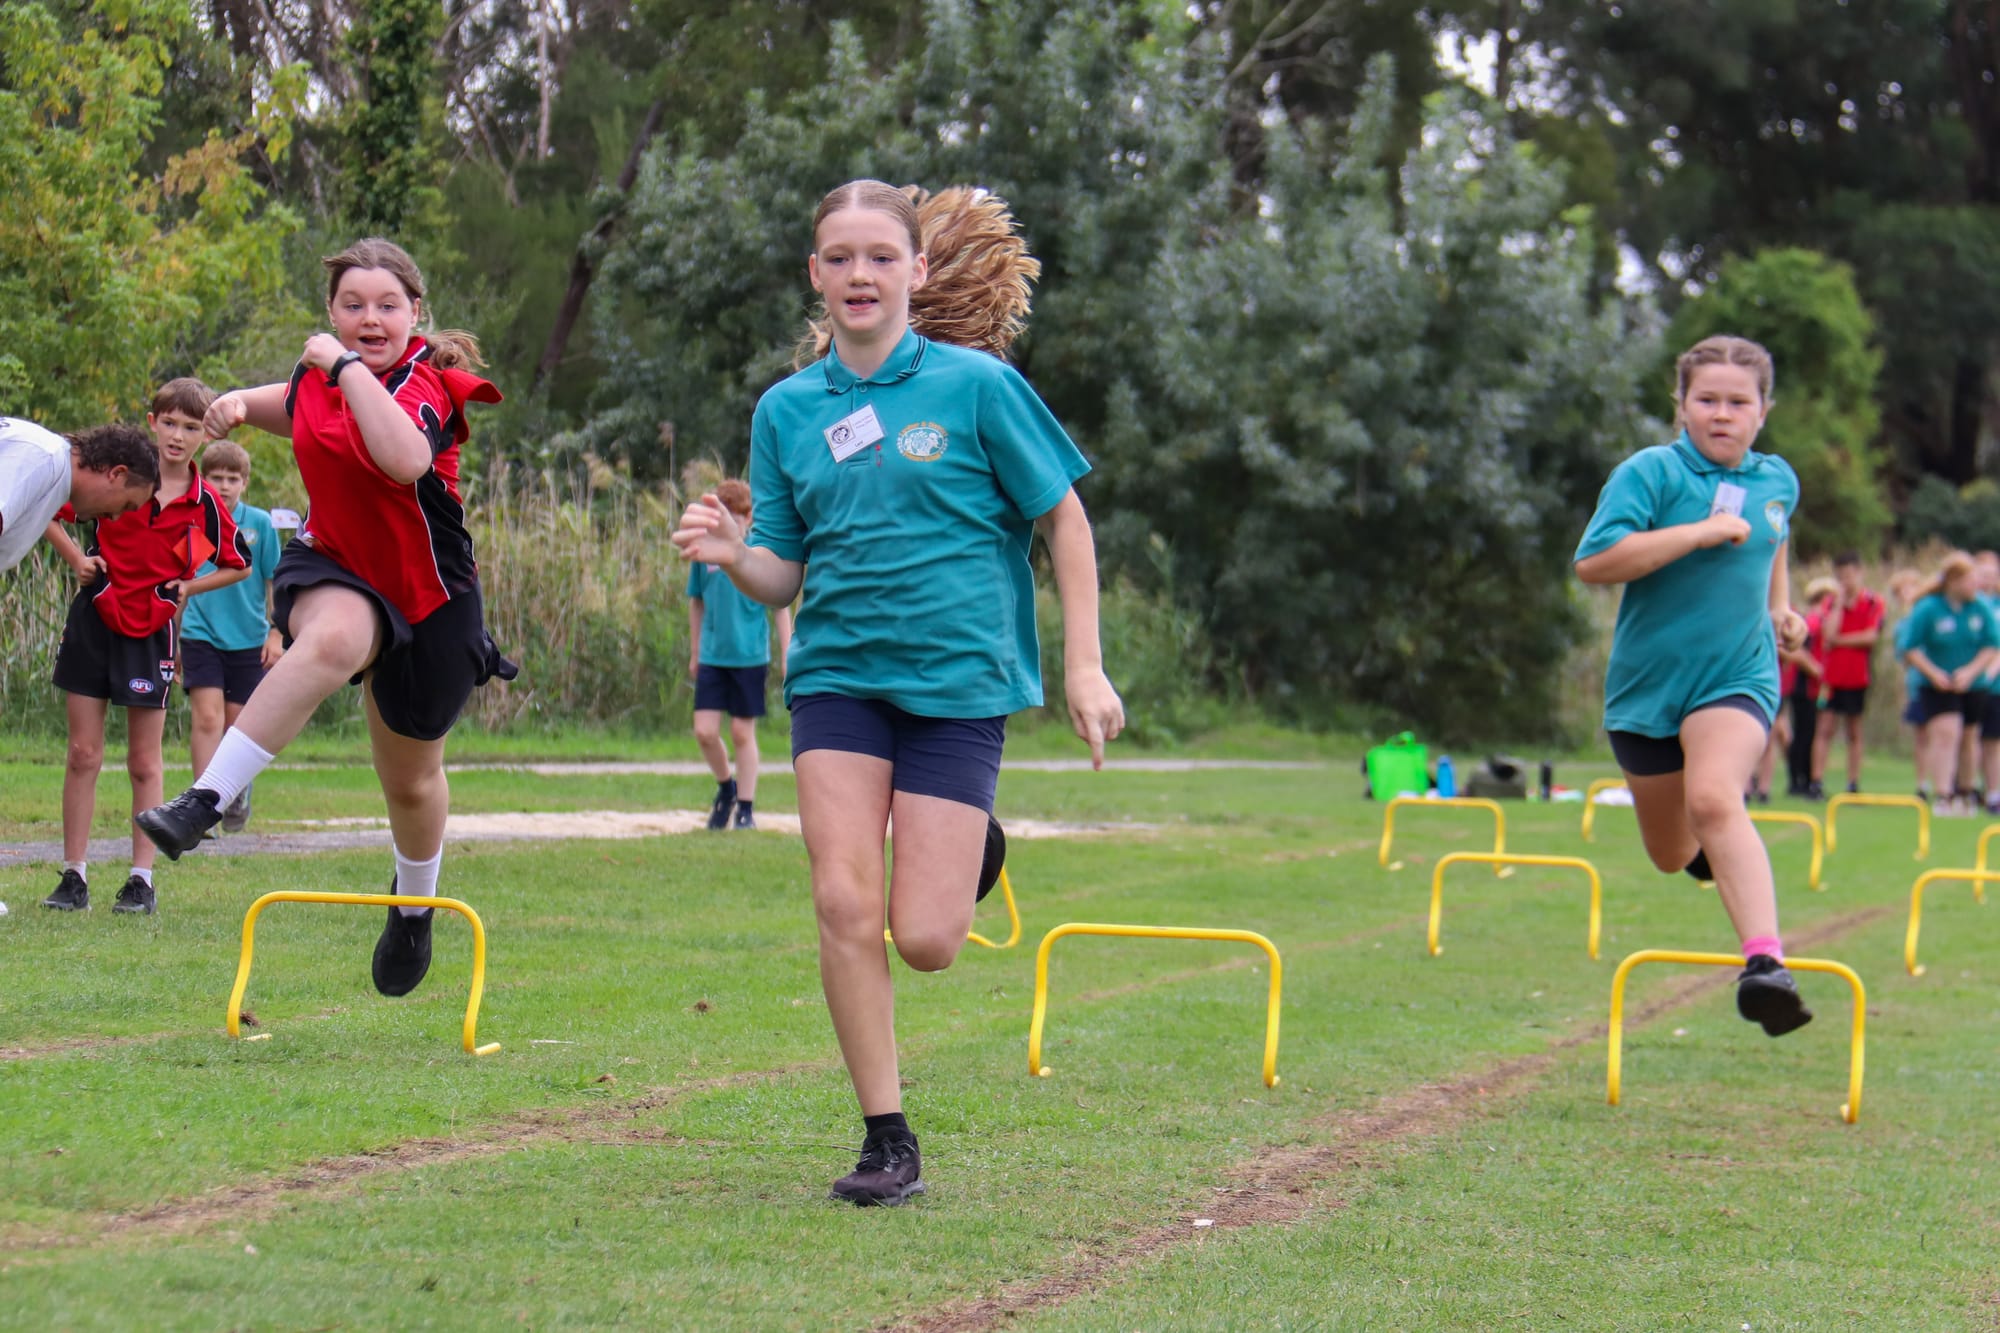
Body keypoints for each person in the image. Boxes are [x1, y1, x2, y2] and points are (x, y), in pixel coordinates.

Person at [672, 180, 1124, 1205]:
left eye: (881, 255)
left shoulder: (976, 387)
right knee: (841, 897)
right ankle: (886, 1136)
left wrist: (1085, 665)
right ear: (815, 274)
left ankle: (971, 848)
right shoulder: (787, 410)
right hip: (836, 679)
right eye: (840, 256)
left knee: (924, 939)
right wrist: (738, 555)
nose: (860, 274)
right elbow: (782, 571)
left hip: (959, 682)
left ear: (918, 270)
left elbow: (1065, 521)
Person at [135, 237, 515, 998]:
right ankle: (206, 799)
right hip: (336, 562)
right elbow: (282, 404)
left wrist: (338, 366)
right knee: (334, 636)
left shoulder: (427, 385)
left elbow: (402, 457)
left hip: (430, 595)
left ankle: (413, 906)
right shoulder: (318, 381)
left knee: (409, 782)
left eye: (386, 306)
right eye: (352, 306)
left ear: (415, 314)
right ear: (331, 314)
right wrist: (238, 405)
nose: (369, 319)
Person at [1574, 334, 1812, 1037]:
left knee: (1714, 795)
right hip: (1648, 690)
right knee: (1671, 852)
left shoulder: (1778, 479)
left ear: (1762, 411)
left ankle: (1766, 964)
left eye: (1738, 402)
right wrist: (1697, 534)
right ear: (1681, 404)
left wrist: (1780, 610)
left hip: (1736, 677)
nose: (1721, 414)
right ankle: (1708, 849)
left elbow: (1774, 537)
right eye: (1706, 399)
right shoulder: (1650, 473)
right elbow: (1596, 562)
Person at [41, 380, 250, 915]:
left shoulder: (204, 503)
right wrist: (77, 560)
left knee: (143, 760)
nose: (178, 436)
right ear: (152, 421)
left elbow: (237, 563)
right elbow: (44, 507)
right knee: (83, 753)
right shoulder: (122, 476)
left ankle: (141, 880)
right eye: (170, 423)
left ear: (206, 434)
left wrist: (187, 587)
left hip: (151, 631)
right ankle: (73, 876)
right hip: (96, 616)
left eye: (192, 426)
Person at [180, 438, 285, 832]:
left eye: (232, 478)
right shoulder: (191, 520)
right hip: (199, 632)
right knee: (206, 719)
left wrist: (276, 633)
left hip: (248, 638)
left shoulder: (259, 525)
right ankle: (199, 812)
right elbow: (180, 582)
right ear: (203, 480)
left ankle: (234, 790)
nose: (223, 486)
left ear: (245, 482)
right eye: (216, 477)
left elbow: (276, 582)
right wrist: (171, 639)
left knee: (235, 723)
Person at [687, 478, 792, 831]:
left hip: (750, 655)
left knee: (742, 733)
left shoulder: (759, 552)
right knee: (704, 731)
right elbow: (696, 602)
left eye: (737, 516)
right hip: (714, 654)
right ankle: (726, 788)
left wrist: (787, 650)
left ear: (748, 518)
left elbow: (780, 605)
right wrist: (696, 649)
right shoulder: (704, 553)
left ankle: (746, 807)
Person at [1901, 551, 2000, 813]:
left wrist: (1970, 672)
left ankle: (1966, 793)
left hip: (1973, 684)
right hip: (1937, 683)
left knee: (1969, 737)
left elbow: (1992, 644)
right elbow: (1909, 647)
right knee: (1946, 733)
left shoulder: (1980, 607)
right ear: (1953, 581)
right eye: (1970, 580)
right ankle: (1944, 795)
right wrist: (1934, 673)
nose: (1975, 585)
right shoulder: (1928, 608)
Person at [0, 418, 159, 573]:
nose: (115, 517)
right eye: (126, 506)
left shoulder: (55, 473)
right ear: (117, 474)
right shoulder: (44, 458)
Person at [1808, 552, 1882, 797]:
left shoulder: (1873, 602)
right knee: (1824, 727)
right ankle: (1816, 781)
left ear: (1859, 573)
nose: (1846, 581)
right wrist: (1839, 605)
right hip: (1830, 678)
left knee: (1854, 730)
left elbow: (1870, 637)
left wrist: (1841, 640)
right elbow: (1827, 635)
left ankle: (1852, 782)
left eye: (1849, 575)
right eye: (1841, 577)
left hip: (1856, 677)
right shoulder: (1831, 603)